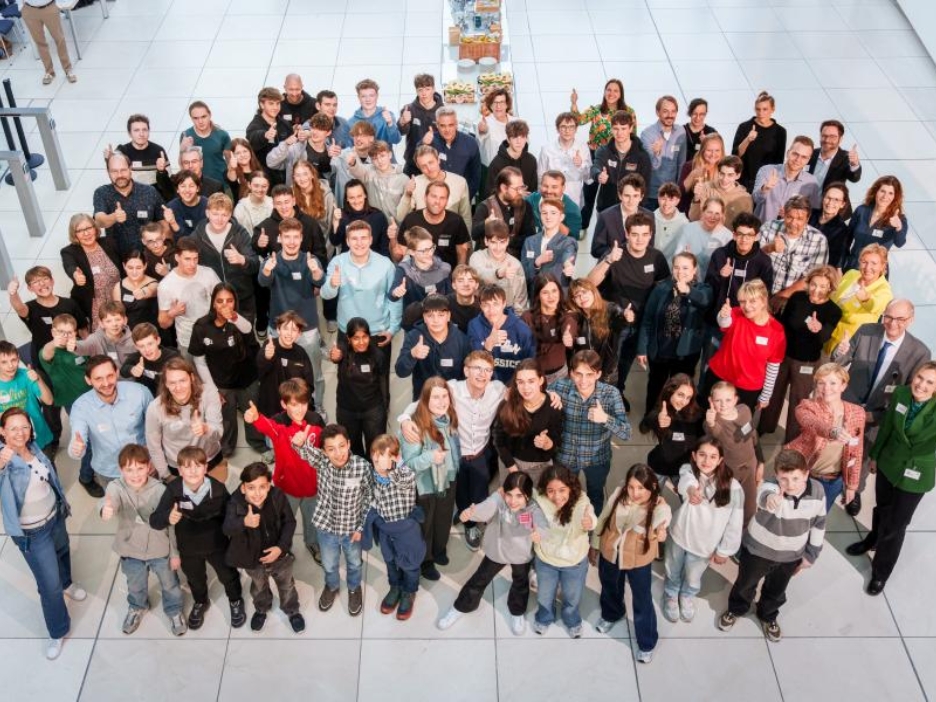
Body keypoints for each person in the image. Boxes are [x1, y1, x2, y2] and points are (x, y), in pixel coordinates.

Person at [0, 407, 86, 660]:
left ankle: (68, 583)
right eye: (13, 428)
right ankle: (58, 631)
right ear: (2, 432)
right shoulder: (4, 459)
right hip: (33, 533)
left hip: (55, 517)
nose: (20, 433)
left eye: (24, 427)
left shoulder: (34, 447)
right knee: (49, 586)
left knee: (63, 552)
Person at [832, 299, 932, 513]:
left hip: (880, 414)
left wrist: (875, 416)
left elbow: (910, 395)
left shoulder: (920, 352)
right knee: (836, 445)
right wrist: (840, 352)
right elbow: (840, 362)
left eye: (900, 319)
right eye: (888, 317)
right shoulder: (866, 331)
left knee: (864, 454)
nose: (892, 323)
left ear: (910, 320)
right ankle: (830, 479)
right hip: (848, 406)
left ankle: (855, 490)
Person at [719, 448, 826, 643]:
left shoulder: (818, 491)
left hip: (791, 555)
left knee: (777, 590)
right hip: (758, 551)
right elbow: (763, 496)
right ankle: (737, 608)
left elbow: (819, 523)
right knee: (745, 584)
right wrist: (770, 500)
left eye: (796, 478)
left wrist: (812, 554)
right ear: (776, 475)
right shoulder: (770, 487)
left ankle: (768, 615)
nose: (790, 484)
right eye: (784, 479)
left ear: (806, 474)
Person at [847, 362, 936, 595]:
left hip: (915, 473)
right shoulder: (901, 394)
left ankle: (880, 572)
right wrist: (875, 455)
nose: (921, 385)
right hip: (889, 462)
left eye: (930, 382)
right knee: (882, 507)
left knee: (896, 525)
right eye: (920, 377)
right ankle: (873, 539)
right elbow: (886, 426)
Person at [437, 472, 547, 635]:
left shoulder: (532, 508)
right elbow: (486, 507)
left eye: (519, 496)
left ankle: (517, 611)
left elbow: (542, 525)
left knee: (520, 583)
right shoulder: (499, 501)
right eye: (509, 494)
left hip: (521, 554)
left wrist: (539, 533)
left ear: (528, 495)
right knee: (480, 578)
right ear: (504, 492)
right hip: (498, 550)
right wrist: (471, 513)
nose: (513, 501)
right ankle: (461, 607)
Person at [150, 446, 246, 631]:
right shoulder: (173, 490)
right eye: (187, 467)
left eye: (197, 466)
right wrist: (168, 518)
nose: (193, 471)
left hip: (217, 543)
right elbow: (155, 521)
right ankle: (201, 601)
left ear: (206, 468)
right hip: (188, 546)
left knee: (228, 574)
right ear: (179, 470)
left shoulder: (218, 489)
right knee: (195, 578)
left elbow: (230, 516)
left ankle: (235, 599)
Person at [100, 444, 186, 636]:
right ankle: (137, 607)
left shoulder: (161, 490)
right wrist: (106, 510)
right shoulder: (116, 487)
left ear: (149, 467)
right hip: (130, 549)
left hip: (160, 548)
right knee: (135, 584)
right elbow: (109, 501)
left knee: (170, 583)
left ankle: (174, 609)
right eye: (129, 469)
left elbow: (171, 525)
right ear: (121, 470)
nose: (135, 474)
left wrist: (174, 553)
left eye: (140, 468)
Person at [587, 211, 670, 408]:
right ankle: (601, 398)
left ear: (650, 235)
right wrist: (608, 260)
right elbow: (590, 283)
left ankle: (618, 393)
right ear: (626, 234)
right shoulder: (615, 254)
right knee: (608, 363)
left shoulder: (657, 258)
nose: (640, 239)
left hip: (639, 324)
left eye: (644, 234)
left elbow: (663, 289)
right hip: (613, 323)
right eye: (635, 234)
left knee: (625, 363)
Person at [592, 464, 671, 662]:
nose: (635, 493)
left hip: (638, 560)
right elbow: (603, 518)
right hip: (611, 552)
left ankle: (647, 642)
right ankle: (612, 613)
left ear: (652, 486)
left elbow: (663, 519)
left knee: (642, 599)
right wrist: (594, 545)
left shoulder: (659, 506)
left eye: (641, 488)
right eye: (631, 487)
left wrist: (661, 530)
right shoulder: (618, 495)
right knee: (610, 586)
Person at [321, 220, 401, 407]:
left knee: (380, 381)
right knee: (346, 380)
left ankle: (381, 418)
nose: (359, 243)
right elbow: (325, 294)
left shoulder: (385, 265)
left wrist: (393, 329)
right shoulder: (338, 262)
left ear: (371, 239)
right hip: (346, 333)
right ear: (347, 241)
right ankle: (349, 419)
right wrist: (332, 283)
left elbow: (394, 299)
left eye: (364, 238)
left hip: (377, 333)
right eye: (354, 238)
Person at [294, 424, 372, 617]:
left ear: (349, 444)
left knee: (354, 563)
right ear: (324, 451)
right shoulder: (322, 461)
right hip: (326, 528)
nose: (338, 453)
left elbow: (369, 498)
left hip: (352, 530)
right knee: (329, 564)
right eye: (331, 449)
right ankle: (332, 586)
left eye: (341, 446)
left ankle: (354, 587)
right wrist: (299, 444)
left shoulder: (362, 467)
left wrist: (360, 527)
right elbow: (305, 451)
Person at [243, 379, 323, 562]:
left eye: (303, 403)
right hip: (286, 488)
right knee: (284, 521)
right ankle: (284, 547)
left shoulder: (316, 420)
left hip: (312, 486)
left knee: (312, 519)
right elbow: (266, 425)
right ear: (284, 404)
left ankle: (312, 542)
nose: (300, 409)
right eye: (293, 405)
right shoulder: (279, 423)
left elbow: (324, 447)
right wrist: (255, 417)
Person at [759, 265, 842, 441]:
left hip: (807, 363)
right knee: (773, 392)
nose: (816, 290)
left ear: (830, 287)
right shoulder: (797, 298)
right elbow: (782, 324)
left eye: (822, 286)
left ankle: (792, 440)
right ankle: (765, 427)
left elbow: (825, 337)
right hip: (783, 355)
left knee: (799, 401)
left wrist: (818, 329)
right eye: (814, 284)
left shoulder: (834, 311)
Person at [664, 438, 743, 623]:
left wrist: (725, 550)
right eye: (702, 455)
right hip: (679, 534)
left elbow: (735, 523)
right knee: (672, 567)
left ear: (720, 460)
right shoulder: (689, 472)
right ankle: (671, 593)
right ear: (694, 456)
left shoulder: (734, 488)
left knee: (693, 576)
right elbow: (686, 479)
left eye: (713, 457)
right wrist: (691, 491)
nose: (707, 461)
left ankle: (687, 595)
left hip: (704, 544)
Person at [8, 266, 87, 449]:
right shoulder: (31, 308)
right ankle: (53, 440)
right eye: (35, 282)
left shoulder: (69, 304)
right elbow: (19, 308)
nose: (42, 284)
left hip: (70, 360)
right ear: (30, 288)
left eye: (44, 279)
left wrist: (86, 351)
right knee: (50, 405)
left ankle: (84, 431)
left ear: (52, 280)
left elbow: (83, 330)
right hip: (44, 363)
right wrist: (13, 294)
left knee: (77, 395)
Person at [223, 462, 304, 633]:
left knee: (286, 585)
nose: (257, 493)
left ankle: (291, 609)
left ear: (269, 486)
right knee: (259, 587)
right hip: (253, 560)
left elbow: (289, 522)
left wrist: (281, 548)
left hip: (280, 557)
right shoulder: (235, 502)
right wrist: (244, 522)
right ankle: (261, 608)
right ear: (243, 488)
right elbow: (227, 528)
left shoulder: (277, 496)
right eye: (251, 488)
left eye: (262, 487)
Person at [550, 350, 631, 513]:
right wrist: (548, 394)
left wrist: (605, 419)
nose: (583, 381)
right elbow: (537, 396)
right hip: (566, 456)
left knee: (595, 494)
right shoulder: (559, 387)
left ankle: (592, 524)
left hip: (597, 460)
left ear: (598, 374)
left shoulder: (611, 394)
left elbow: (627, 433)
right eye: (578, 374)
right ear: (571, 373)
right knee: (564, 495)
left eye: (589, 374)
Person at [188, 284, 265, 455]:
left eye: (229, 301)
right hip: (221, 382)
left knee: (252, 413)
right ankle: (227, 449)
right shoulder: (202, 326)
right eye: (220, 301)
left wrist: (234, 318)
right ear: (213, 303)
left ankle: (258, 444)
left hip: (247, 379)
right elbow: (199, 361)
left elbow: (247, 329)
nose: (225, 305)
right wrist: (213, 389)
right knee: (226, 419)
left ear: (235, 302)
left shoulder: (240, 319)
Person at [257, 221, 325, 407]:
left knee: (314, 373)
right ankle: (283, 411)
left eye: (296, 237)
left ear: (302, 238)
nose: (292, 242)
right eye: (287, 237)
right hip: (279, 329)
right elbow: (263, 281)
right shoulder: (271, 260)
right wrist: (267, 269)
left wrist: (315, 271)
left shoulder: (310, 259)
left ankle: (317, 408)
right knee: (278, 373)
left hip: (307, 328)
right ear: (280, 238)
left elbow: (320, 281)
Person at [399, 377, 461, 581]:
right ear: (425, 400)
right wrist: (430, 457)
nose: (442, 402)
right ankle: (425, 560)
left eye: (444, 396)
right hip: (425, 485)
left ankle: (439, 549)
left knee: (443, 518)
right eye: (435, 397)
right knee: (425, 524)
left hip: (447, 478)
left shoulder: (449, 417)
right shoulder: (414, 427)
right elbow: (408, 466)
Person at [785, 362, 865, 511]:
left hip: (832, 482)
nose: (826, 388)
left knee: (818, 517)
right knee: (791, 514)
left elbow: (857, 451)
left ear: (843, 386)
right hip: (801, 475)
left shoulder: (857, 413)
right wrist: (832, 431)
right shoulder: (808, 406)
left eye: (833, 383)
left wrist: (852, 486)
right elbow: (811, 422)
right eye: (821, 383)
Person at [637, 252, 712, 412]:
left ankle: (676, 418)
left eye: (685, 268)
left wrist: (688, 291)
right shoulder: (661, 288)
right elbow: (647, 320)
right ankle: (651, 417)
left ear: (694, 270)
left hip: (685, 353)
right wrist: (642, 349)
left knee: (681, 390)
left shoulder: (702, 289)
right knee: (655, 387)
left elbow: (704, 301)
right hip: (660, 350)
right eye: (676, 267)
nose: (680, 271)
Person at [68, 355, 152, 488]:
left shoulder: (140, 392)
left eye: (110, 376)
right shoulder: (81, 407)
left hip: (143, 466)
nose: (106, 383)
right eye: (98, 379)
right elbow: (77, 443)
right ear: (88, 380)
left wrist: (152, 456)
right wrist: (77, 449)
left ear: (117, 373)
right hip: (109, 472)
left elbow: (155, 427)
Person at [364, 434, 424, 621]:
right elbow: (370, 499)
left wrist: (392, 468)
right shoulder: (373, 477)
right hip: (386, 531)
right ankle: (395, 586)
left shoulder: (404, 474)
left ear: (395, 458)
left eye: (382, 457)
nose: (377, 461)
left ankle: (409, 591)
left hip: (406, 532)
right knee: (390, 561)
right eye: (375, 457)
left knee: (410, 565)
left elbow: (406, 479)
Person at [703, 279, 786, 412]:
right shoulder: (736, 313)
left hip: (747, 388)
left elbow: (773, 365)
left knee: (738, 422)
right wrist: (723, 315)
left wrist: (766, 395)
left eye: (752, 301)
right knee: (706, 415)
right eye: (742, 301)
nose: (746, 306)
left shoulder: (777, 330)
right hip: (718, 376)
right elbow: (724, 323)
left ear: (763, 300)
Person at [532, 464, 595, 638]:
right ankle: (544, 617)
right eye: (551, 491)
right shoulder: (539, 501)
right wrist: (530, 527)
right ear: (545, 490)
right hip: (546, 559)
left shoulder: (582, 502)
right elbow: (524, 514)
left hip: (574, 562)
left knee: (572, 596)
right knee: (544, 595)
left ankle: (571, 619)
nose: (557, 497)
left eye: (562, 490)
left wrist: (590, 522)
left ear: (570, 487)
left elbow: (590, 517)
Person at [570, 79, 636, 229]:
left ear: (621, 94)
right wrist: (574, 103)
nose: (611, 93)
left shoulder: (628, 112)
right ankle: (583, 225)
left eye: (615, 90)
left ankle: (613, 225)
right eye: (609, 90)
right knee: (589, 190)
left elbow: (633, 136)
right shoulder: (596, 110)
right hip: (595, 155)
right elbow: (578, 120)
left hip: (617, 156)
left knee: (613, 191)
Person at [143, 357, 223, 480]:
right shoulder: (155, 408)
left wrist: (206, 429)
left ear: (192, 378)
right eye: (172, 383)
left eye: (182, 381)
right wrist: (166, 476)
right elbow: (154, 447)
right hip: (178, 467)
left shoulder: (208, 393)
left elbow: (218, 434)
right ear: (166, 384)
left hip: (210, 459)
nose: (178, 387)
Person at [189, 193, 260, 321]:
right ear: (207, 213)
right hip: (213, 301)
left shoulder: (240, 233)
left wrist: (242, 260)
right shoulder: (196, 237)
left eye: (224, 215)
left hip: (241, 298)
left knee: (245, 332)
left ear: (230, 215)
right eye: (215, 214)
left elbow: (255, 264)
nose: (219, 219)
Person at [492, 359, 564, 487]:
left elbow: (557, 442)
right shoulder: (507, 405)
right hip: (510, 464)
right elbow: (498, 440)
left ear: (540, 380)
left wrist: (548, 444)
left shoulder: (553, 406)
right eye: (521, 382)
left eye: (531, 381)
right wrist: (512, 468)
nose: (526, 388)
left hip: (540, 467)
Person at [705, 381, 764, 526]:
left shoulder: (745, 410)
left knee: (750, 505)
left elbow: (753, 436)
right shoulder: (713, 422)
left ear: (736, 400)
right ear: (711, 401)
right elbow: (716, 432)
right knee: (726, 507)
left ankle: (746, 531)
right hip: (729, 472)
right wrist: (711, 423)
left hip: (750, 467)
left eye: (728, 400)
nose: (723, 405)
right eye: (718, 400)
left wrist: (761, 462)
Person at [758, 195, 829, 313]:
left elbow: (813, 277)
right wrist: (769, 248)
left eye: (799, 219)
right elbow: (751, 259)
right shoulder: (768, 227)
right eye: (789, 217)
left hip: (791, 301)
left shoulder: (819, 240)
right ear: (784, 214)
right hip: (759, 294)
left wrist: (784, 295)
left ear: (807, 219)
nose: (793, 223)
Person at [328, 318, 388, 457]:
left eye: (364, 337)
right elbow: (335, 356)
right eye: (356, 338)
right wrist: (334, 356)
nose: (361, 342)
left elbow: (383, 382)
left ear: (369, 336)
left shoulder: (378, 355)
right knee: (353, 452)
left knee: (376, 450)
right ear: (348, 339)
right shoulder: (342, 351)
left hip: (373, 411)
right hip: (347, 412)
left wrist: (384, 408)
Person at [395, 294, 470, 400]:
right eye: (430, 316)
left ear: (448, 316)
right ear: (424, 318)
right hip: (423, 399)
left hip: (452, 400)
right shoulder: (414, 336)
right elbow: (400, 372)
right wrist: (412, 354)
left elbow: (467, 377)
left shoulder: (462, 340)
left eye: (441, 315)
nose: (436, 320)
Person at [93, 153, 167, 257]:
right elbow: (99, 220)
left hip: (150, 255)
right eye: (114, 171)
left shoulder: (149, 191)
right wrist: (114, 217)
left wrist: (164, 250)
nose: (119, 175)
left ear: (130, 169)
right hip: (118, 256)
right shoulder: (102, 193)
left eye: (123, 170)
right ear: (108, 172)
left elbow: (163, 221)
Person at [156, 237, 222, 356]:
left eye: (195, 258)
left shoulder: (208, 273)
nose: (192, 264)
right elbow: (163, 324)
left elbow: (224, 299)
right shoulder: (166, 285)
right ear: (177, 257)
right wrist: (172, 313)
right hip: (188, 341)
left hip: (214, 334)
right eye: (187, 259)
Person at [826, 244, 892, 356]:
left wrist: (866, 299)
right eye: (864, 262)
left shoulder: (885, 291)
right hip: (825, 331)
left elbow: (875, 305)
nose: (867, 267)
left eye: (874, 263)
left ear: (883, 266)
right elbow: (834, 296)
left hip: (846, 345)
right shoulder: (851, 274)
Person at [61, 213, 122, 331]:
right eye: (80, 231)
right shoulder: (69, 252)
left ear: (95, 228)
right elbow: (69, 265)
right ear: (74, 234)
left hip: (117, 301)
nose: (86, 233)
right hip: (94, 305)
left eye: (88, 228)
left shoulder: (109, 242)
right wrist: (75, 275)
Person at [641, 375, 705, 486]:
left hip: (684, 469)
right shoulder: (662, 411)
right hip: (659, 466)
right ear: (670, 392)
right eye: (680, 395)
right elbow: (643, 427)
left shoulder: (697, 414)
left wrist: (711, 425)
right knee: (650, 495)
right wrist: (657, 420)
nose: (684, 401)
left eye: (688, 397)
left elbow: (705, 439)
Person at [467, 283, 535, 385]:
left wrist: (514, 387)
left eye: (496, 304)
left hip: (515, 386)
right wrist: (488, 345)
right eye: (486, 305)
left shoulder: (522, 329)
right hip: (486, 384)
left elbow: (530, 365)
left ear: (504, 303)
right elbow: (475, 365)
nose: (491, 310)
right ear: (480, 306)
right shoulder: (475, 326)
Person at [255, 311, 318, 420]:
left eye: (294, 330)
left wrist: (303, 409)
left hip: (293, 415)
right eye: (285, 328)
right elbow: (259, 371)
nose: (289, 333)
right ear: (278, 329)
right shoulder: (269, 346)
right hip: (270, 412)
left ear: (299, 333)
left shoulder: (301, 354)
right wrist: (267, 357)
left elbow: (308, 386)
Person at [398, 180, 471, 268]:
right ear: (425, 197)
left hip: (447, 273)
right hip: (417, 273)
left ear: (447, 201)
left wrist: (458, 274)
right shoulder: (411, 219)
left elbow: (462, 253)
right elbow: (399, 255)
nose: (437, 201)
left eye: (442, 198)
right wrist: (392, 239)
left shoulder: (456, 221)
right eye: (434, 196)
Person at [842, 175, 908, 272]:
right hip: (852, 266)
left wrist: (898, 227)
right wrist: (839, 265)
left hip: (874, 272)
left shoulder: (898, 219)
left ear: (895, 197)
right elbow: (847, 240)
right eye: (882, 191)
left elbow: (900, 243)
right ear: (876, 191)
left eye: (890, 193)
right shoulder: (861, 210)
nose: (885, 196)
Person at [591, 110, 652, 214]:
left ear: (631, 128)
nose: (619, 133)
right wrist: (598, 175)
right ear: (611, 128)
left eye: (623, 128)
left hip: (631, 211)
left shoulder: (642, 156)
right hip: (605, 209)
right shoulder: (603, 151)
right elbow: (595, 167)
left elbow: (645, 187)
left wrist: (638, 210)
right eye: (616, 128)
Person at [568, 278, 627, 383]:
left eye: (584, 292)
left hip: (606, 373)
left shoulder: (610, 309)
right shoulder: (575, 317)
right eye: (577, 295)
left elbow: (620, 322)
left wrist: (626, 318)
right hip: (584, 373)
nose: (582, 297)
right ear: (573, 300)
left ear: (593, 292)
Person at [523, 273, 578, 385]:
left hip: (560, 376)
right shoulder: (527, 316)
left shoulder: (567, 314)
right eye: (545, 292)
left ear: (560, 292)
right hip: (534, 375)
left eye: (554, 291)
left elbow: (569, 326)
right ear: (538, 295)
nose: (551, 296)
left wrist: (568, 335)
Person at [752, 136, 820, 224]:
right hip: (761, 228)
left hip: (790, 230)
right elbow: (755, 199)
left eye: (804, 157)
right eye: (795, 154)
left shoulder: (812, 182)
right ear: (788, 153)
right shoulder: (767, 171)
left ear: (808, 160)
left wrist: (794, 214)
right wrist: (765, 189)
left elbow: (813, 213)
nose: (798, 160)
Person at [470, 166, 535, 257]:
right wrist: (486, 223)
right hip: (489, 259)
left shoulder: (525, 206)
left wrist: (507, 240)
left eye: (522, 187)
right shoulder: (485, 207)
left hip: (515, 259)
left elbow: (530, 236)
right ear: (504, 188)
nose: (520, 192)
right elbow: (474, 235)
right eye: (517, 189)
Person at [391, 226, 452, 321]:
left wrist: (438, 299)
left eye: (431, 248)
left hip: (439, 322)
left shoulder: (444, 268)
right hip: (413, 323)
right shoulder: (403, 269)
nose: (430, 253)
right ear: (411, 252)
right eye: (424, 251)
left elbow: (451, 297)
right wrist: (396, 292)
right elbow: (392, 296)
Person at [732, 91, 786, 193]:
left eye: (765, 109)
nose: (761, 113)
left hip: (765, 182)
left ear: (772, 109)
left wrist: (771, 184)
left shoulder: (780, 131)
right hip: (744, 181)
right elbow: (735, 155)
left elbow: (779, 162)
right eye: (758, 109)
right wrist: (748, 140)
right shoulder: (744, 127)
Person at [470, 219, 529, 313]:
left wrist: (515, 319)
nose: (498, 248)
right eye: (493, 242)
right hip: (480, 313)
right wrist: (498, 273)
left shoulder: (515, 264)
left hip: (507, 315)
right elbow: (480, 274)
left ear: (508, 241)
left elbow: (520, 301)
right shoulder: (477, 257)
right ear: (486, 241)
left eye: (502, 242)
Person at [426, 105, 482, 202]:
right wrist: (423, 144)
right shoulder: (429, 141)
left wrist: (465, 198)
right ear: (437, 125)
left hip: (462, 198)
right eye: (443, 125)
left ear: (456, 124)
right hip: (436, 199)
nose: (447, 130)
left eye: (450, 125)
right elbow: (419, 163)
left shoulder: (471, 143)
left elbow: (475, 176)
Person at [640, 95, 687, 211]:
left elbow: (681, 164)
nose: (670, 115)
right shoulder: (647, 134)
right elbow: (648, 166)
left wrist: (678, 190)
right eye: (665, 111)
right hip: (652, 195)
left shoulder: (681, 132)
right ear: (657, 112)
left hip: (672, 195)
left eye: (673, 111)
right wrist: (656, 153)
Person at [664, 197, 732, 275]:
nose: (712, 217)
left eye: (717, 213)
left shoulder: (728, 236)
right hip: (689, 276)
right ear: (703, 212)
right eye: (709, 212)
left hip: (715, 277)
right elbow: (676, 256)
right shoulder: (688, 229)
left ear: (722, 215)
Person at [347, 140, 409, 224]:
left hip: (397, 225)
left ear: (390, 155)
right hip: (374, 224)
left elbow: (407, 207)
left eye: (382, 156)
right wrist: (353, 163)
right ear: (371, 161)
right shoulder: (369, 172)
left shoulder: (404, 179)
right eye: (375, 158)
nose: (379, 161)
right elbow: (358, 171)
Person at [538, 112, 592, 209]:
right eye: (563, 127)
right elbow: (540, 177)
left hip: (574, 200)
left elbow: (589, 178)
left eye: (571, 127)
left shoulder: (583, 148)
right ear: (557, 129)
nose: (567, 131)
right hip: (551, 199)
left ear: (576, 129)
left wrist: (581, 164)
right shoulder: (547, 149)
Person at [520, 199, 578, 289]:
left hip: (558, 293)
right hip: (535, 293)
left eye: (553, 213)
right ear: (540, 215)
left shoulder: (568, 242)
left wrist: (568, 266)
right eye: (544, 213)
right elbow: (524, 274)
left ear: (561, 217)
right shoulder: (529, 242)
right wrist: (537, 263)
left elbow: (568, 256)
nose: (548, 217)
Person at [332, 176, 391, 258]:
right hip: (348, 261)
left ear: (365, 195)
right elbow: (335, 242)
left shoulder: (378, 216)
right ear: (347, 199)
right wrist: (335, 222)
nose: (356, 201)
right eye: (352, 198)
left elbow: (384, 248)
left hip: (374, 261)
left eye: (359, 196)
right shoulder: (342, 215)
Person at [246, 87, 293, 186]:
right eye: (271, 103)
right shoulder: (254, 125)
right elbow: (253, 137)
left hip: (286, 179)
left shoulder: (284, 124)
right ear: (262, 105)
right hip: (265, 182)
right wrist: (265, 135)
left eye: (278, 103)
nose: (275, 107)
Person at [22, 0, 76, 85]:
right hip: (29, 10)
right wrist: (21, 7)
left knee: (59, 39)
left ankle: (68, 69)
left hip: (49, 7)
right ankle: (49, 72)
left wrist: (59, 5)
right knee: (40, 42)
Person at [689, 155, 753, 225]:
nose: (724, 179)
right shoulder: (706, 188)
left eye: (730, 175)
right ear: (718, 172)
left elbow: (745, 226)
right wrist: (697, 198)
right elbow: (693, 218)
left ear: (738, 176)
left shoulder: (745, 198)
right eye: (722, 174)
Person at [398, 73, 442, 176]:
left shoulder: (442, 111)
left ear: (434, 89)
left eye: (427, 89)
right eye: (420, 90)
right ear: (416, 91)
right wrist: (403, 121)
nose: (424, 93)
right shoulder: (409, 109)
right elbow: (401, 132)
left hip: (434, 163)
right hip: (412, 162)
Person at [120, 322, 181, 395]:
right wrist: (132, 370)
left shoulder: (173, 357)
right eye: (141, 346)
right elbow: (123, 370)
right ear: (136, 347)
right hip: (147, 397)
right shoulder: (137, 358)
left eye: (150, 344)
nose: (147, 350)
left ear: (158, 341)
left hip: (170, 395)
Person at [484, 119, 538, 198]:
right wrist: (515, 195)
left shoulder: (531, 161)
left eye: (522, 137)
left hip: (525, 204)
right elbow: (490, 194)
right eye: (514, 137)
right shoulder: (496, 163)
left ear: (526, 139)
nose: (519, 141)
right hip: (503, 205)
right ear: (508, 139)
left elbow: (533, 191)